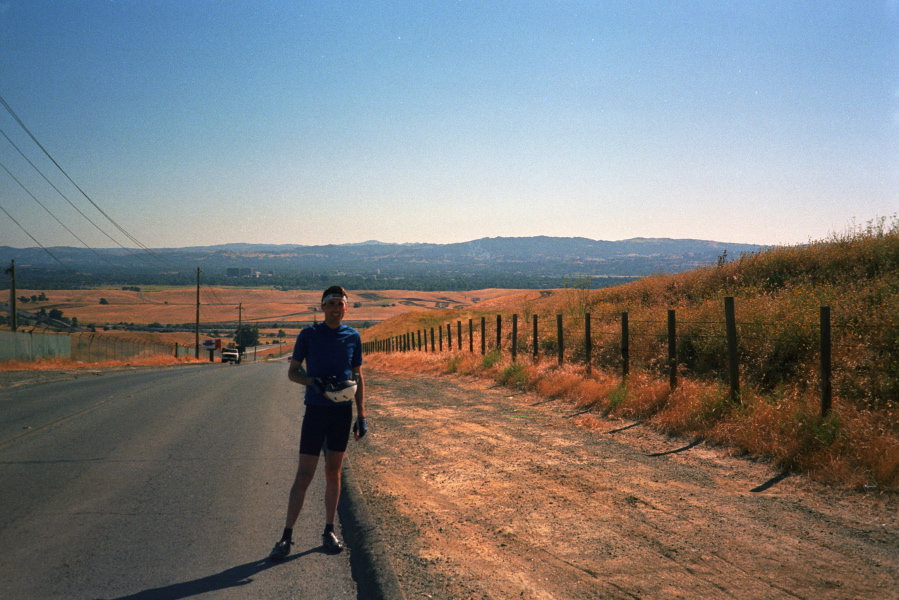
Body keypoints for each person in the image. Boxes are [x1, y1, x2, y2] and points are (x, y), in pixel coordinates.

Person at [269, 285, 367, 560]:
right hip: (316, 411)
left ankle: (328, 531)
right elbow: (292, 373)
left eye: (340, 304)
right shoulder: (308, 335)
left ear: (346, 308)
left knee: (333, 474)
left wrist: (362, 416)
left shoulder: (353, 337)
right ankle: (286, 537)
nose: (336, 309)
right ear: (322, 307)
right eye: (331, 304)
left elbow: (358, 377)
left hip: (342, 413)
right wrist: (315, 382)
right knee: (304, 475)